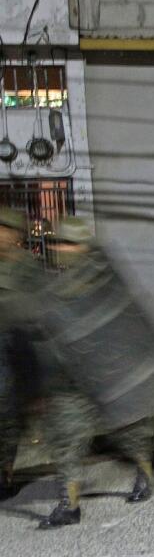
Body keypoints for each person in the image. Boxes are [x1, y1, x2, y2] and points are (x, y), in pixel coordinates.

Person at [38, 218, 154, 528]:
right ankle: (69, 506)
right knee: (67, 442)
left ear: (83, 248)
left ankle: (145, 469)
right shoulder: (55, 284)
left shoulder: (105, 282)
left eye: (67, 244)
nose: (59, 250)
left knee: (127, 435)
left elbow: (126, 330)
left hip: (106, 378)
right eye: (56, 244)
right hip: (69, 383)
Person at [0, 208, 42, 500]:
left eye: (6, 230)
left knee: (7, 413)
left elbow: (38, 306)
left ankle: (5, 472)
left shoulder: (27, 266)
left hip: (14, 345)